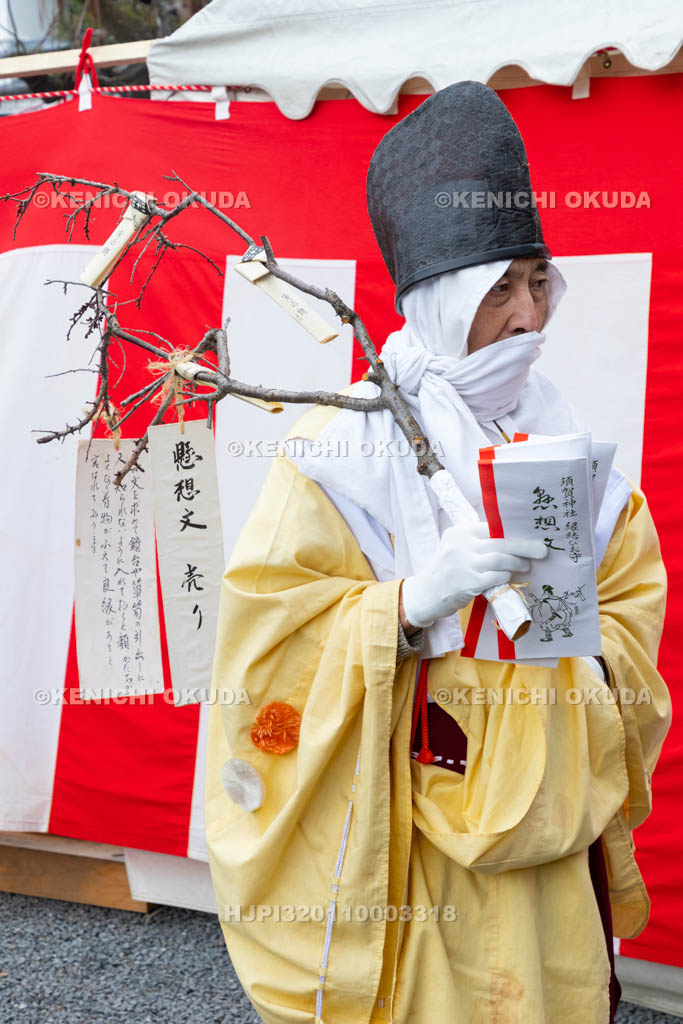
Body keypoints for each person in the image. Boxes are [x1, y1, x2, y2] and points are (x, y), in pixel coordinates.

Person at [205, 81, 672, 1024]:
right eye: (498, 286)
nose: (528, 313)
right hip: (410, 835)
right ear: (439, 300)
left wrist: (575, 641)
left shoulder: (571, 444)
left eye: (537, 280)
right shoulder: (345, 455)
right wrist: (409, 604)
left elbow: (632, 605)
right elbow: (267, 648)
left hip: (551, 822)